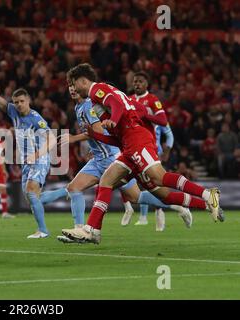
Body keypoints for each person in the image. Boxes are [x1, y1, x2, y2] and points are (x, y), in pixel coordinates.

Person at [61, 63, 223, 244]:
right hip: (127, 144)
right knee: (117, 184)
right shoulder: (96, 103)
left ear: (83, 81)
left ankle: (209, 195)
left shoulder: (97, 89)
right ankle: (93, 230)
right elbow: (116, 136)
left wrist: (114, 120)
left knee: (160, 177)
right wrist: (96, 135)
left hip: (137, 139)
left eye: (74, 83)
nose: (73, 88)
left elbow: (117, 105)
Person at [38, 81, 190, 244]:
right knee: (74, 188)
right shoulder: (78, 107)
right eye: (69, 86)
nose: (72, 89)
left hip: (112, 158)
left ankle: (177, 205)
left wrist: (74, 138)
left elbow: (97, 131)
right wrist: (94, 147)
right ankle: (80, 230)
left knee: (136, 197)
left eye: (75, 85)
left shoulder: (90, 105)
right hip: (98, 159)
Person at [0, 63, 56, 239]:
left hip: (40, 157)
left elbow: (52, 139)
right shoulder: (12, 111)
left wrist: (36, 155)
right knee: (33, 198)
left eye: (22, 101)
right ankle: (66, 192)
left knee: (30, 191)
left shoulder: (36, 119)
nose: (19, 105)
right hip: (27, 161)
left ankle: (43, 231)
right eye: (16, 102)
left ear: (28, 101)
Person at [122, 71, 175, 231]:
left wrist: (167, 148)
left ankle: (161, 211)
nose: (137, 84)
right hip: (133, 147)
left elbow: (166, 128)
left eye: (140, 81)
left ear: (146, 84)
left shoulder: (152, 100)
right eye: (135, 81)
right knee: (132, 182)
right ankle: (140, 215)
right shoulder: (129, 100)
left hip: (152, 148)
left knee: (153, 183)